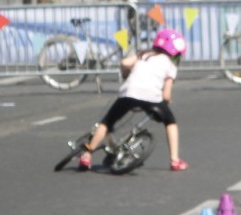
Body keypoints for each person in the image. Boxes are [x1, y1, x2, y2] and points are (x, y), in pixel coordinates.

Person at [77, 28, 189, 172]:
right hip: (152, 97)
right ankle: (175, 160)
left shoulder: (143, 55)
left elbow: (125, 62)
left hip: (128, 93)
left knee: (107, 122)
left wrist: (127, 73)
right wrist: (164, 104)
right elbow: (166, 95)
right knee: (170, 122)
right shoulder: (170, 66)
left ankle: (87, 154)